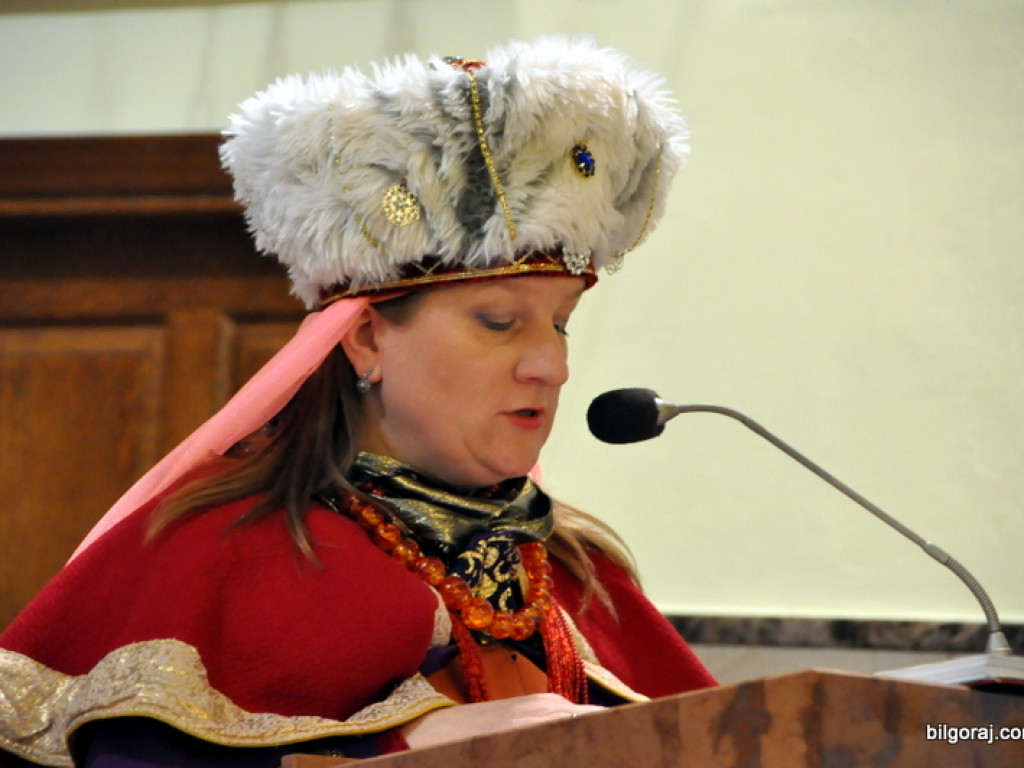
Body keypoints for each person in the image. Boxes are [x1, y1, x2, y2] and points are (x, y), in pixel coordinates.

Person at [0, 36, 715, 765]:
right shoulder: (213, 551)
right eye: (499, 322)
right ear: (367, 340)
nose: (550, 365)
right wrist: (395, 752)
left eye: (560, 322)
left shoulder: (575, 572)